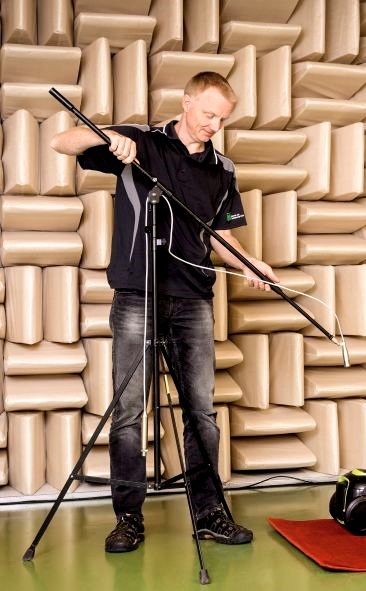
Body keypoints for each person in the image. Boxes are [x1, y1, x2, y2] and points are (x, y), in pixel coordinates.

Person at [51, 72, 279, 552]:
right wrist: (107, 137)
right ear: (186, 102)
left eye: (222, 119)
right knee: (128, 411)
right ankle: (128, 519)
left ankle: (209, 514)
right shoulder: (141, 142)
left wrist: (251, 263)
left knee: (201, 412)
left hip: (194, 299)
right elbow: (61, 142)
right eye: (208, 114)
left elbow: (221, 236)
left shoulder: (222, 169)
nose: (214, 125)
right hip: (138, 295)